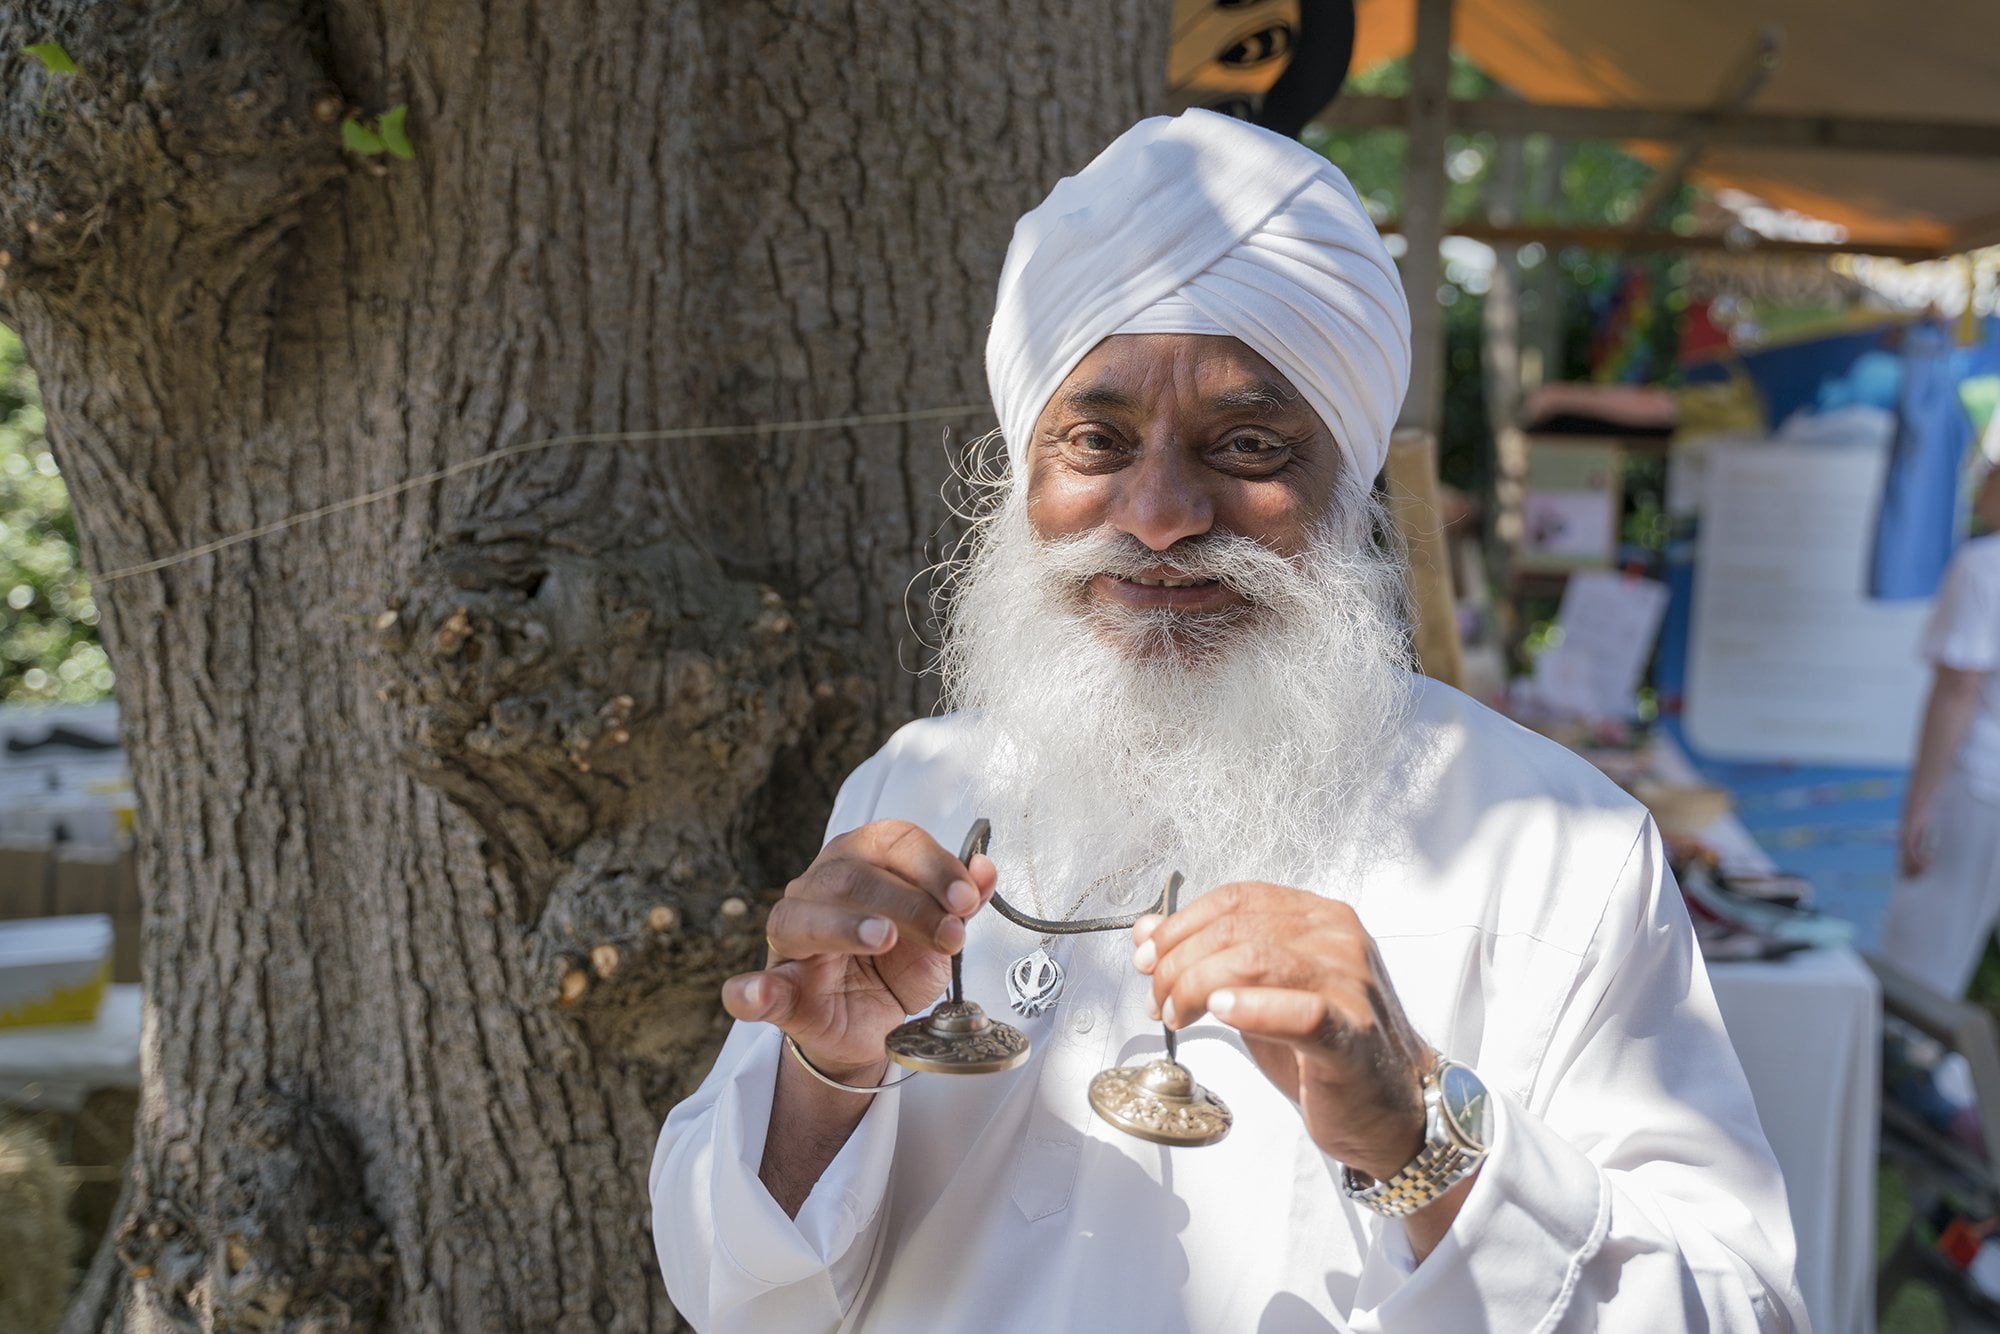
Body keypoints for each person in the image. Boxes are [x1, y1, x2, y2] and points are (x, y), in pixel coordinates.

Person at [650, 110, 1805, 1332]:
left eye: (1245, 445)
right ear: (1024, 475)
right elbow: (733, 1292)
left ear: (1346, 486)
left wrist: (1418, 1129)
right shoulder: (915, 788)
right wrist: (822, 1074)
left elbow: (1734, 1308)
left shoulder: (1554, 848)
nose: (1156, 513)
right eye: (1096, 441)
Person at [1880, 463, 2000, 996]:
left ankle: (1913, 1052)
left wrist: (1920, 806)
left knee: (1921, 970)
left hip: (1979, 785)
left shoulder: (1983, 565)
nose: (1981, 482)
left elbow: (1958, 689)